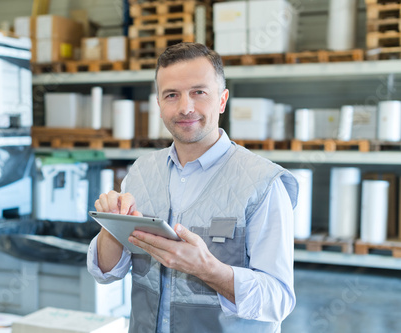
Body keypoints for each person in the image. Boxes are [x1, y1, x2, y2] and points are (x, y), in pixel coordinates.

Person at [87, 42, 299, 333]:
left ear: (222, 100)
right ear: (159, 105)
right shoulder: (141, 172)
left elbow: (278, 300)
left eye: (199, 92)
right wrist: (109, 226)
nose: (185, 107)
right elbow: (108, 273)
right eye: (171, 95)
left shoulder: (262, 183)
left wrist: (207, 269)